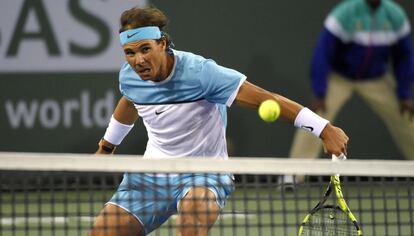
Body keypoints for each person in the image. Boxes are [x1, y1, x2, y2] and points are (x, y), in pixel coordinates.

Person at [88, 6, 349, 236]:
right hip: (151, 175)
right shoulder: (130, 77)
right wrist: (106, 147)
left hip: (204, 175)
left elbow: (265, 99)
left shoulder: (201, 73)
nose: (139, 60)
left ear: (163, 44)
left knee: (192, 218)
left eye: (145, 49)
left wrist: (324, 128)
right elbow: (129, 101)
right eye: (130, 53)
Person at [283, 0, 414, 185]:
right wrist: (320, 91)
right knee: (314, 118)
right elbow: (323, 52)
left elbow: (404, 56)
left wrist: (404, 94)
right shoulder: (345, 13)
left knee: (407, 119)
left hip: (376, 78)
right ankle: (292, 176)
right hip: (339, 77)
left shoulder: (395, 16)